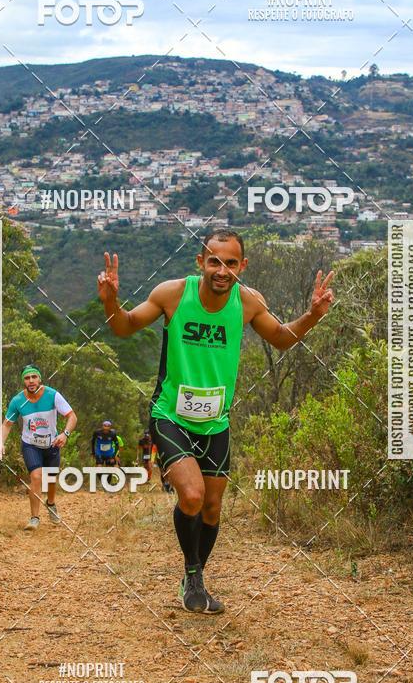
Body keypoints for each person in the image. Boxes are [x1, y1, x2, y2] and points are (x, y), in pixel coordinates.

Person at [98, 229, 334, 614]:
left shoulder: (248, 302)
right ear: (200, 263)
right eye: (214, 261)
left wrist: (312, 315)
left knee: (211, 509)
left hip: (215, 422)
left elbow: (281, 338)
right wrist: (110, 302)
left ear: (242, 266)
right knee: (191, 496)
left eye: (230, 263)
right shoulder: (173, 294)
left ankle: (195, 580)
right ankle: (193, 574)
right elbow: (123, 326)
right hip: (171, 414)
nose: (221, 270)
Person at [0, 365, 76, 530]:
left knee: (50, 479)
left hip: (52, 444)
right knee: (36, 477)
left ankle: (51, 503)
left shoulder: (52, 395)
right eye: (27, 378)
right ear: (23, 381)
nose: (31, 381)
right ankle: (34, 518)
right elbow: (7, 425)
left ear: (39, 379)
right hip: (30, 445)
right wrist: (0, 443)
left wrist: (65, 434)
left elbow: (72, 416)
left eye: (34, 377)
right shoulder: (18, 401)